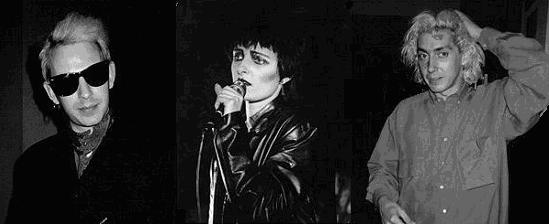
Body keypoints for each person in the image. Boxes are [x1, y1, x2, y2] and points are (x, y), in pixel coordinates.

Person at [366, 9, 549, 224]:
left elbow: (541, 72)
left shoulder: (497, 103)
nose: (431, 67)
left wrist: (480, 33)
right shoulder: (403, 113)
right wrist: (384, 202)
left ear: (464, 55)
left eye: (442, 53)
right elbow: (382, 169)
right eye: (424, 55)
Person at [6, 12, 170, 224]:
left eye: (95, 75)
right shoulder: (32, 166)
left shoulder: (158, 155)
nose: (85, 93)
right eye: (66, 82)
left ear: (110, 75)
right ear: (52, 93)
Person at [194, 23, 323, 223]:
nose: (241, 68)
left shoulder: (297, 129)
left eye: (258, 60)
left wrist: (231, 124)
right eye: (238, 56)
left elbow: (262, 207)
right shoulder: (223, 122)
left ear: (285, 76)